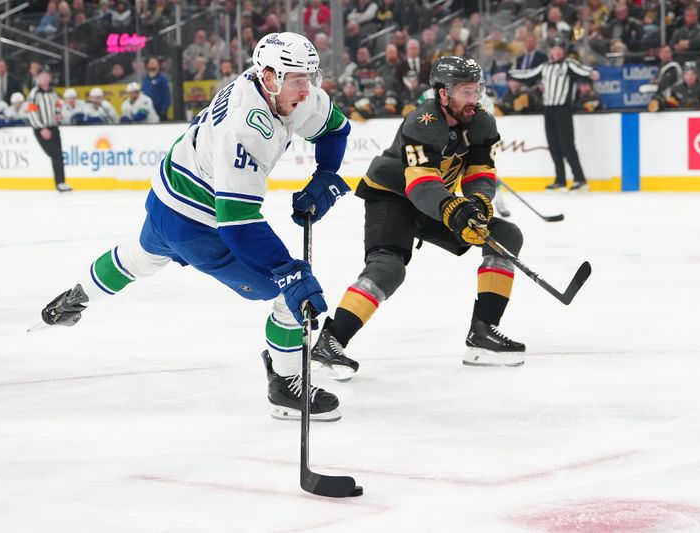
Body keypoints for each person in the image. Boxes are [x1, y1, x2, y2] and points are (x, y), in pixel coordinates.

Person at [35, 32, 352, 422]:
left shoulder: (285, 89)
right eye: (297, 80)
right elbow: (238, 224)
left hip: (167, 198)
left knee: (138, 257)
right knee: (288, 296)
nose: (306, 90)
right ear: (268, 77)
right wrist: (287, 272)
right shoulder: (245, 128)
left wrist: (325, 174)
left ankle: (76, 297)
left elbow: (336, 129)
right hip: (199, 225)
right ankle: (286, 386)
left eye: (311, 77)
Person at [310, 56, 526, 384]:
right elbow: (421, 183)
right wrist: (454, 210)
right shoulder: (421, 122)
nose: (475, 98)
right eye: (467, 91)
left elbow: (481, 171)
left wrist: (478, 202)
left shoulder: (482, 121)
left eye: (477, 89)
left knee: (505, 235)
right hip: (393, 196)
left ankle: (482, 334)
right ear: (443, 93)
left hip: (435, 201)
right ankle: (330, 341)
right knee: (388, 268)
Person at [509, 37, 599, 191]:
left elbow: (583, 71)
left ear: (564, 51)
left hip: (563, 109)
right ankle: (560, 180)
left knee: (567, 145)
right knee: (553, 146)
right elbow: (528, 75)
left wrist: (592, 73)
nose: (557, 52)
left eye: (560, 49)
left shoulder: (568, 64)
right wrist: (511, 73)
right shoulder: (544, 66)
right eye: (554, 48)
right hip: (548, 110)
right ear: (550, 51)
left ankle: (580, 179)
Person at [27, 68, 70, 192]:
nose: (46, 81)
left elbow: (57, 104)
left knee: (59, 155)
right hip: (41, 129)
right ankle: (60, 183)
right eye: (43, 78)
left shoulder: (52, 92)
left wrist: (58, 114)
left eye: (47, 78)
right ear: (38, 79)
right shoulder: (34, 93)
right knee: (56, 154)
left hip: (53, 127)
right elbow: (32, 112)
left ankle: (60, 182)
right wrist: (41, 128)